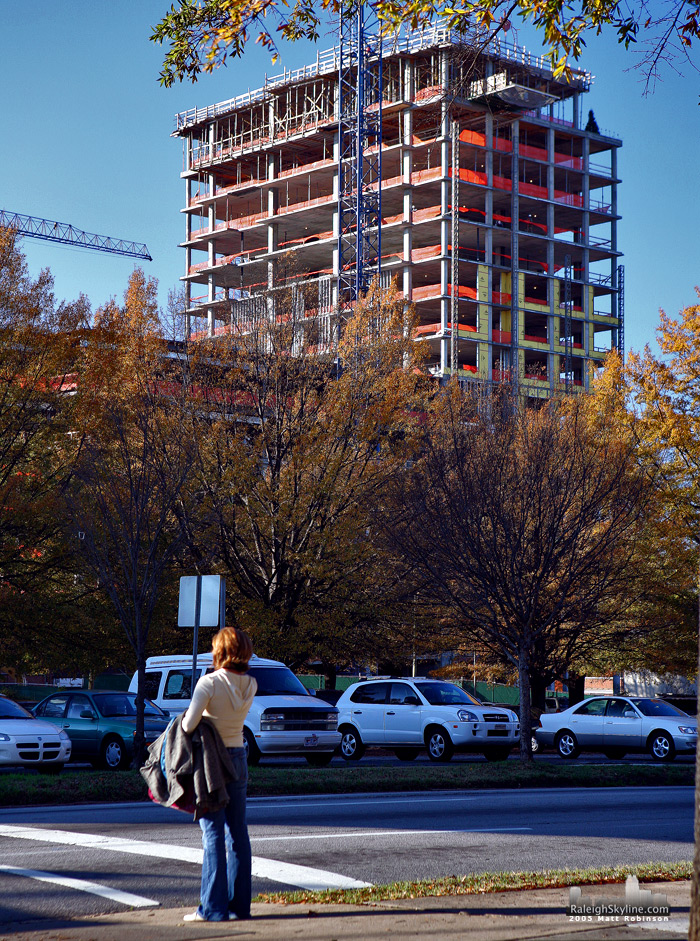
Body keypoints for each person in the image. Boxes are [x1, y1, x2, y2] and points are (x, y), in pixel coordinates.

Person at [181, 627, 257, 922]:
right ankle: (240, 907)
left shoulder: (208, 683)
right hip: (238, 757)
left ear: (220, 652)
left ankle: (212, 909)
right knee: (238, 833)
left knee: (212, 833)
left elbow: (188, 725)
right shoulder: (250, 684)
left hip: (212, 762)